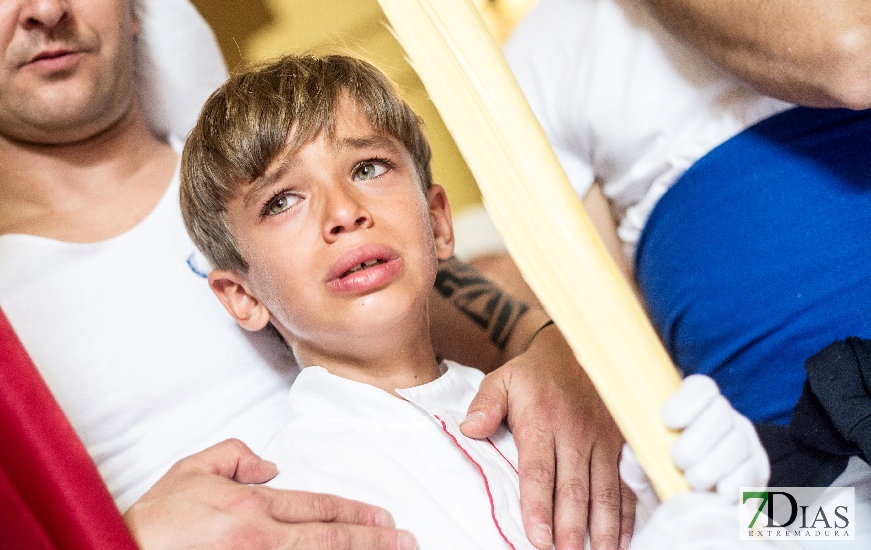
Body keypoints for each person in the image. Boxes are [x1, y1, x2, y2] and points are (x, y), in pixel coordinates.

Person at [0, 0, 632, 548]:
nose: (47, 7)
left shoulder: (278, 191)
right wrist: (122, 543)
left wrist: (571, 365)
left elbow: (503, 324)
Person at [177, 54, 773, 549]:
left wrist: (755, 509)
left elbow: (836, 523)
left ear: (438, 222)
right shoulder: (294, 508)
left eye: (367, 167)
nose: (344, 212)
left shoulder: (568, 413)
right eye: (282, 200)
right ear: (242, 295)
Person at [492, 0, 871, 426]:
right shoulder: (535, 54)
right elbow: (616, 330)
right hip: (783, 464)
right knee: (772, 496)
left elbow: (853, 58)